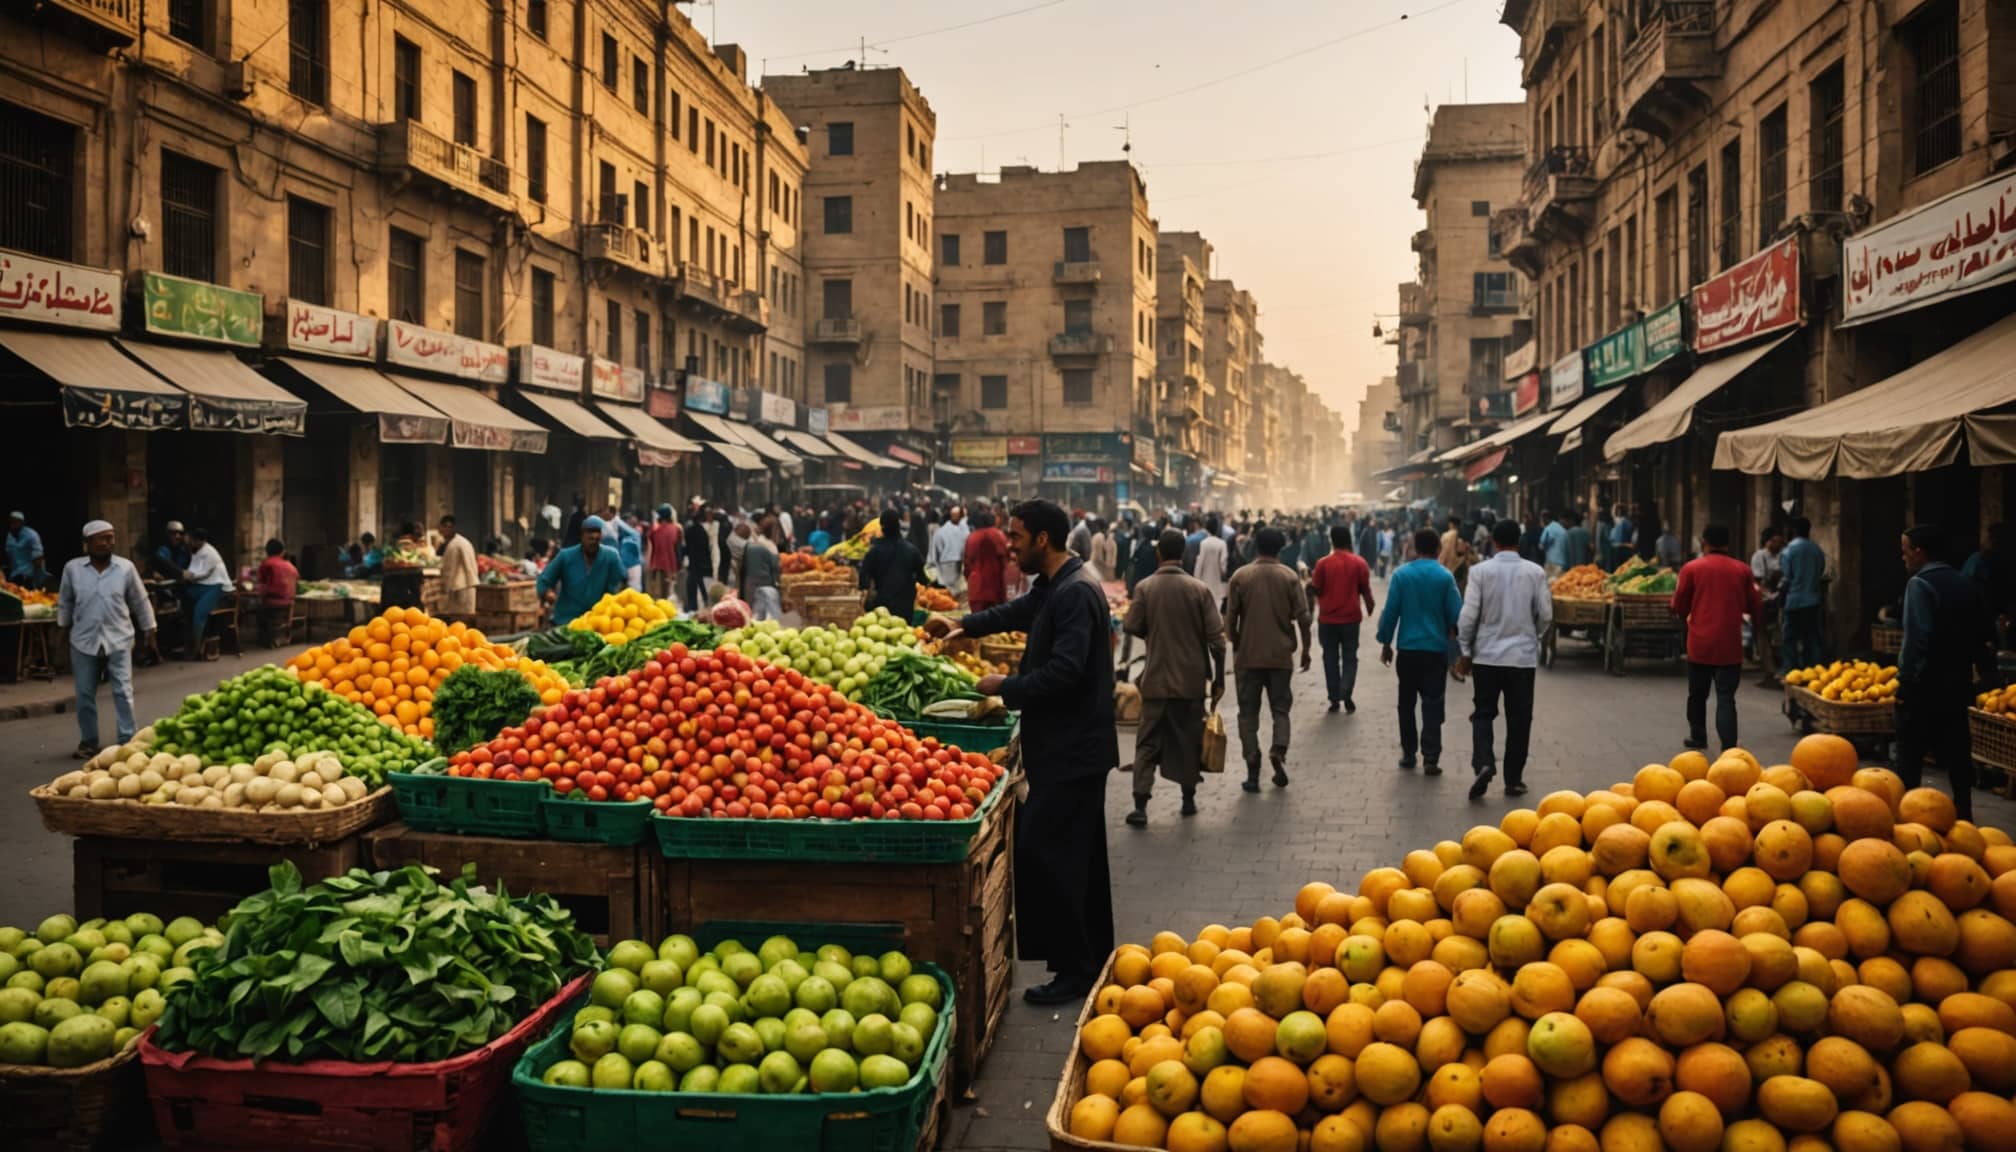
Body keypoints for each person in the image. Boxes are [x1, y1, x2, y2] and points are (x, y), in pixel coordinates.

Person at [945, 499, 1116, 1005]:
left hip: (1073, 750)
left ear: (1042, 539)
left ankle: (1073, 970)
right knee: (1076, 857)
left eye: (1017, 536)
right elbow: (1017, 612)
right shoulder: (1055, 587)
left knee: (1052, 854)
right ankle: (1087, 960)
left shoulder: (1076, 594)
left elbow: (1065, 672)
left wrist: (1005, 686)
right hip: (1065, 747)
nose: (1010, 544)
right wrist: (962, 625)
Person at [1121, 528, 1226, 826]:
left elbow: (1131, 624)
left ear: (1158, 554)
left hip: (1155, 680)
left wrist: (1152, 634)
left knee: (1147, 743)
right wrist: (1219, 680)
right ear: (1184, 554)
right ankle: (1188, 799)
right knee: (1188, 739)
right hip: (1191, 682)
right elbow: (1217, 641)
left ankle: (1140, 805)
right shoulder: (1199, 590)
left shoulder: (1145, 587)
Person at [1895, 524, 1996, 822]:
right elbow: (1982, 634)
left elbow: (1917, 639)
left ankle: (1907, 817)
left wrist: (1906, 680)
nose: (1903, 559)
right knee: (1957, 751)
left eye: (1905, 551)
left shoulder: (1920, 584)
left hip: (1925, 684)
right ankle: (1964, 813)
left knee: (1910, 753)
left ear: (1919, 552)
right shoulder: (1965, 583)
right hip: (1959, 681)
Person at [1458, 519, 1551, 800]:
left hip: (1486, 657)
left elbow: (1469, 616)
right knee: (1519, 719)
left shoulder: (1479, 572)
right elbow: (1545, 614)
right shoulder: (1535, 573)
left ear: (1494, 542)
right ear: (1518, 542)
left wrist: (1465, 649)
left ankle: (1484, 762)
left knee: (1484, 713)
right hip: (1521, 659)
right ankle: (1513, 779)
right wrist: (1531, 636)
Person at [58, 520, 155, 756]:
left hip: (119, 637)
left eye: (110, 538)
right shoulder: (72, 569)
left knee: (123, 690)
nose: (107, 543)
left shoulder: (125, 568)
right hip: (83, 640)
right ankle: (89, 742)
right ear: (87, 543)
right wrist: (61, 631)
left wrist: (150, 630)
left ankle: (128, 741)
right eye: (101, 538)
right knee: (84, 693)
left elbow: (140, 600)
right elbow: (65, 601)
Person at [1225, 528, 1312, 793]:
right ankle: (1279, 749)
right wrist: (1305, 648)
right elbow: (1304, 618)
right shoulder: (1289, 577)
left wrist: (1238, 644)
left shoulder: (1241, 576)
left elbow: (1230, 622)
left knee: (1247, 715)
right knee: (1280, 709)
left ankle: (1253, 769)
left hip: (1249, 658)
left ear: (1256, 546)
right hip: (1280, 657)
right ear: (1281, 548)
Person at [1377, 528, 1465, 775]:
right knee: (1433, 702)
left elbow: (1391, 611)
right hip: (1435, 650)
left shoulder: (1401, 575)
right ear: (1438, 549)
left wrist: (1386, 643)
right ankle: (1431, 757)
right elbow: (1456, 615)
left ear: (1415, 547)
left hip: (1408, 650)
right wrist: (1454, 637)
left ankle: (1408, 753)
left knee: (1406, 703)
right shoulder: (1445, 577)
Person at [1670, 524, 1763, 753]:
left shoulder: (1691, 568)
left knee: (1697, 694)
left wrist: (1683, 615)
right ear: (1727, 543)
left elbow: (1679, 605)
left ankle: (1698, 736)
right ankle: (1729, 747)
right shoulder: (1742, 570)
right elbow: (1755, 606)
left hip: (1699, 644)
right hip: (1730, 646)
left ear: (1704, 542)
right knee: (1726, 698)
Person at [1309, 524, 1376, 714]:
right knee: (1350, 657)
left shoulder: (1323, 564)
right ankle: (1346, 692)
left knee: (1329, 658)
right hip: (1350, 620)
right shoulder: (1359, 563)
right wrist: (1370, 607)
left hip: (1328, 620)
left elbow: (1317, 588)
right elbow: (1365, 590)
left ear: (1332, 540)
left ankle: (1334, 698)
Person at [537, 515, 628, 627]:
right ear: (582, 536)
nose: (593, 543)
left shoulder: (611, 557)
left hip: (598, 620)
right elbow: (544, 580)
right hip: (566, 619)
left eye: (597, 540)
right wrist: (548, 593)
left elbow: (621, 580)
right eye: (590, 539)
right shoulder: (566, 556)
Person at [859, 511, 930, 618]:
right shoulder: (911, 550)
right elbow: (922, 578)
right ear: (898, 526)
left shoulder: (873, 552)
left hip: (882, 608)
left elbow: (863, 580)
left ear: (882, 527)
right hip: (905, 607)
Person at [178, 527, 233, 660]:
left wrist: (186, 576)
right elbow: (194, 569)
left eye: (190, 539)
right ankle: (188, 642)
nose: (188, 541)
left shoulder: (210, 553)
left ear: (197, 540)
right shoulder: (197, 551)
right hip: (204, 585)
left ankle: (197, 649)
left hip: (216, 585)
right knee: (185, 599)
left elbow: (203, 573)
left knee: (199, 613)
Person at [1779, 516, 1825, 671]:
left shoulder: (1789, 550)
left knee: (1790, 637)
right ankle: (1813, 670)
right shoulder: (1817, 550)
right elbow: (1820, 572)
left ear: (1793, 531)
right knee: (1812, 637)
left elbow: (1787, 577)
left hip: (1794, 600)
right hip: (1813, 600)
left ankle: (1791, 670)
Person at [1751, 526, 1786, 686]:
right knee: (1763, 635)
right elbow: (1757, 581)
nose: (1779, 544)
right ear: (1768, 541)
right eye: (1775, 541)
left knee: (1777, 635)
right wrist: (1769, 595)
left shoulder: (1781, 556)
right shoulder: (1759, 557)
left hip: (1778, 600)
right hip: (1763, 602)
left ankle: (1779, 669)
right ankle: (1769, 671)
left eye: (1780, 541)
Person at [962, 509, 1011, 613]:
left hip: (977, 587)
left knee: (978, 623)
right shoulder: (999, 535)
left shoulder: (972, 537)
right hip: (997, 586)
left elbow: (967, 564)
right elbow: (1006, 559)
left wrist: (969, 580)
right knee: (997, 624)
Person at [253, 538, 300, 647]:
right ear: (282, 551)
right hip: (289, 603)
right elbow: (297, 580)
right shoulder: (291, 566)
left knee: (254, 607)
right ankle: (280, 635)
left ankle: (264, 639)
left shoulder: (267, 563)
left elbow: (260, 581)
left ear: (267, 551)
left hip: (272, 602)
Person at [741, 516, 783, 622]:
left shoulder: (756, 541)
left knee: (753, 619)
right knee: (766, 620)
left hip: (750, 586)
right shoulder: (770, 546)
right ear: (774, 531)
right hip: (765, 589)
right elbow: (776, 569)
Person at [437, 515, 478, 617]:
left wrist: (445, 590)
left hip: (460, 588)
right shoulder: (461, 542)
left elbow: (450, 570)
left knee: (460, 620)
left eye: (442, 527)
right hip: (467, 586)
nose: (441, 530)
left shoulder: (455, 545)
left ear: (448, 527)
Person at [681, 503, 714, 612]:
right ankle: (707, 609)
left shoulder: (689, 530)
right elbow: (706, 549)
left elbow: (685, 548)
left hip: (693, 565)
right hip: (702, 566)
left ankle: (692, 610)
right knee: (704, 592)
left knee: (693, 590)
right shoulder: (703, 531)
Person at [927, 505, 968, 591]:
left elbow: (935, 555)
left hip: (944, 565)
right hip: (958, 564)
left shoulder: (940, 532)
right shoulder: (962, 530)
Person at [646, 505, 682, 601]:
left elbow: (651, 545)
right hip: (672, 567)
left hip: (657, 566)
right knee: (670, 597)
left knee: (657, 598)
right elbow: (678, 548)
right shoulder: (676, 529)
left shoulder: (654, 531)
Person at [1195, 515, 1230, 609]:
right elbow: (1223, 567)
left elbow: (1199, 565)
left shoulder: (1203, 543)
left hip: (1204, 583)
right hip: (1218, 586)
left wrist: (1196, 581)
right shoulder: (1222, 544)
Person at [6, 511, 45, 586]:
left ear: (21, 523)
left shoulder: (32, 535)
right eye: (11, 522)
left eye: (15, 522)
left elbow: (38, 559)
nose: (12, 525)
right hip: (14, 577)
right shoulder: (9, 536)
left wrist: (37, 580)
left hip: (28, 578)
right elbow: (9, 555)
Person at [1440, 515, 1474, 595]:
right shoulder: (1462, 534)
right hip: (1458, 567)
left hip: (1446, 565)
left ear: (1451, 524)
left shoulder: (1446, 535)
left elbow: (1443, 552)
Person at [1537, 511, 1567, 576]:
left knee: (1550, 584)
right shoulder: (1562, 528)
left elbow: (1541, 545)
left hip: (1551, 563)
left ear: (1546, 519)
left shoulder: (1548, 529)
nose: (1542, 522)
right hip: (1562, 563)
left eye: (1542, 520)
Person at [1609, 503, 1634, 569]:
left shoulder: (1622, 523)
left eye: (1613, 510)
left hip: (1621, 551)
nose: (1612, 512)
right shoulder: (1620, 522)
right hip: (1620, 550)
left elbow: (1619, 540)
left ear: (1618, 511)